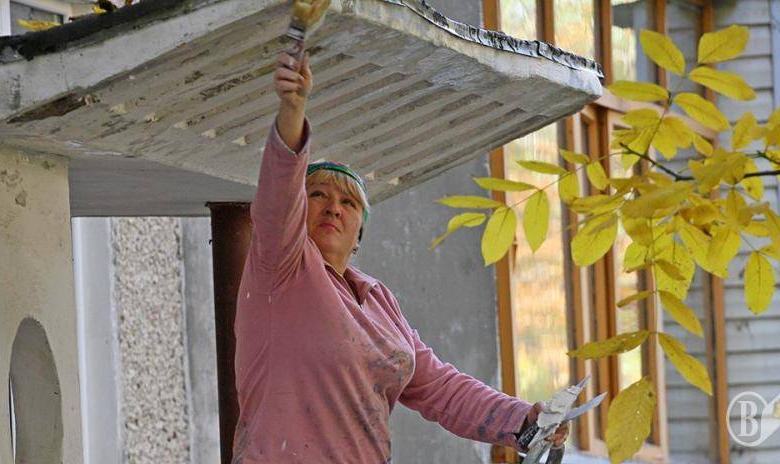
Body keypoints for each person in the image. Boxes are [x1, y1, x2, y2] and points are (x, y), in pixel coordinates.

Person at [231, 50, 569, 463]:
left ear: (360, 232)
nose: (333, 208)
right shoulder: (280, 268)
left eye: (348, 202)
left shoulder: (379, 303)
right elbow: (278, 192)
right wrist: (292, 110)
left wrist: (524, 421)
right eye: (317, 195)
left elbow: (440, 388)